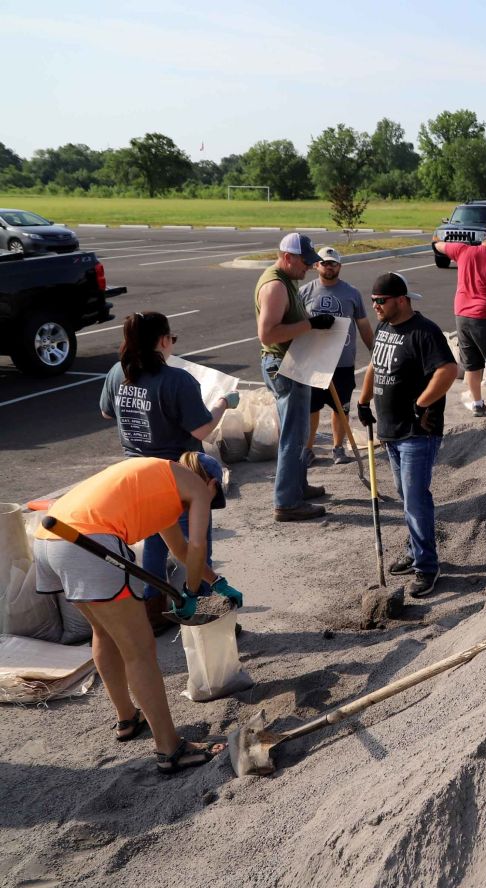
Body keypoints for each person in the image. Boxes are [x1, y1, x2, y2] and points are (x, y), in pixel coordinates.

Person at [34, 454, 239, 774]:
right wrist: (191, 593)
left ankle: (128, 718)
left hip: (51, 537)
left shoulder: (161, 483)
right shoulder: (198, 488)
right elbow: (198, 545)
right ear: (212, 484)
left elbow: (182, 550)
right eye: (213, 499)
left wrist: (218, 582)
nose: (204, 505)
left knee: (103, 632)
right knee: (140, 649)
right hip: (88, 540)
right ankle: (170, 749)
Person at [99, 311, 241, 627]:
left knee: (154, 539)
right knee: (194, 543)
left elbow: (107, 413)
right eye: (171, 339)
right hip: (178, 475)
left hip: (136, 473)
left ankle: (154, 608)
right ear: (163, 340)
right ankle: (203, 607)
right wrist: (223, 404)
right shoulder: (177, 380)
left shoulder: (116, 373)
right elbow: (203, 430)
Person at [355, 273, 457, 598]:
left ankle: (427, 567)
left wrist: (421, 403)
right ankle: (415, 551)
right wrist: (363, 400)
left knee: (415, 498)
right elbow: (374, 364)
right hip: (391, 431)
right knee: (404, 495)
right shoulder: (385, 328)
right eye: (373, 301)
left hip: (417, 432)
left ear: (401, 299)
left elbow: (448, 370)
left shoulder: (424, 332)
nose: (375, 306)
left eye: (380, 301)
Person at [254, 232, 334, 521]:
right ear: (287, 257)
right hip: (282, 365)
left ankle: (297, 486)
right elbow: (268, 333)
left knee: (300, 432)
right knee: (293, 434)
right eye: (304, 262)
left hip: (291, 363)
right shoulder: (276, 286)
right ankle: (287, 502)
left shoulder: (285, 279)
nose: (309, 267)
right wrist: (310, 325)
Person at [300, 246, 373, 465]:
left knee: (341, 408)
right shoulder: (304, 292)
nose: (328, 266)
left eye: (333, 263)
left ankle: (338, 448)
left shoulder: (351, 293)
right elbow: (295, 325)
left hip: (342, 363)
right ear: (316, 266)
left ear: (339, 266)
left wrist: (374, 350)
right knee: (311, 408)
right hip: (314, 364)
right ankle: (307, 449)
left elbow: (363, 325)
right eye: (324, 263)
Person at [431, 228, 486, 416]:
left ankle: (477, 404)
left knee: (471, 363)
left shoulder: (463, 251)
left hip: (462, 316)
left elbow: (439, 246)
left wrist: (435, 241)